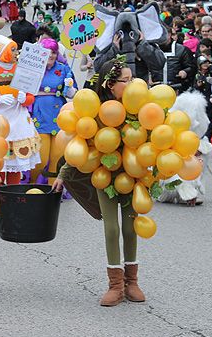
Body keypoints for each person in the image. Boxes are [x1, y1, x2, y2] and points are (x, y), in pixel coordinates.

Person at [52, 59, 146, 306]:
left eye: (131, 79)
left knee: (130, 226)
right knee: (112, 228)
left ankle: (132, 281)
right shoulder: (96, 109)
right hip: (104, 174)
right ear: (110, 84)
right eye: (125, 80)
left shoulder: (141, 106)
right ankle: (115, 284)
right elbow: (80, 143)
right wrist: (62, 174)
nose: (131, 83)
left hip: (133, 174)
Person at [0, 34, 41, 209]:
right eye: (12, 49)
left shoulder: (23, 69)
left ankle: (14, 196)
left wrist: (24, 98)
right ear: (1, 51)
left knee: (16, 162)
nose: (16, 52)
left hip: (18, 120)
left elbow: (31, 98)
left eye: (15, 49)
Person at [29, 38, 77, 184]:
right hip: (40, 115)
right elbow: (23, 87)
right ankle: (30, 184)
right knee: (41, 159)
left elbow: (72, 94)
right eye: (48, 52)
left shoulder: (63, 69)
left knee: (57, 158)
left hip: (58, 116)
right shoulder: (33, 68)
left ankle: (52, 191)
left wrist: (69, 88)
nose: (51, 55)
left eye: (54, 52)